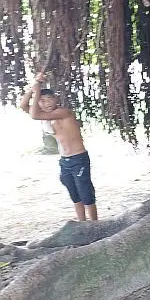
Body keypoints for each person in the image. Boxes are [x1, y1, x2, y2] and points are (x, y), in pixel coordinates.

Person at [19, 72, 98, 221]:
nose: (47, 103)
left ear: (55, 99)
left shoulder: (63, 112)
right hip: (65, 161)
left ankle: (95, 225)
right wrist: (33, 88)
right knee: (75, 195)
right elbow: (23, 105)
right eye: (42, 100)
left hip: (78, 158)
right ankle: (82, 224)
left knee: (86, 194)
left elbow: (34, 115)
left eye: (49, 99)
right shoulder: (46, 116)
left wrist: (37, 90)